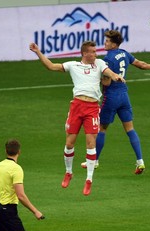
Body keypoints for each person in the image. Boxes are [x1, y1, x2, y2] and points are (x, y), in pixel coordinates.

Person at [29, 41, 125, 196]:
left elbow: (109, 73)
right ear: (85, 53)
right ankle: (68, 172)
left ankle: (89, 180)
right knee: (69, 143)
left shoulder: (99, 64)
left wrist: (115, 76)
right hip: (77, 107)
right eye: (93, 52)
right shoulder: (73, 65)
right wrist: (38, 52)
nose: (95, 54)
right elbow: (51, 66)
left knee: (90, 142)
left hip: (92, 108)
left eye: (95, 51)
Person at [80, 30, 150, 174]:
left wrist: (96, 77)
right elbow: (140, 64)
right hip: (124, 95)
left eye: (107, 41)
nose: (104, 43)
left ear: (113, 43)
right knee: (130, 129)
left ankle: (95, 161)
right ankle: (140, 161)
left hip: (111, 97)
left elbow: (106, 83)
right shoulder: (124, 53)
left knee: (102, 129)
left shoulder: (108, 59)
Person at [0, 139, 44, 231]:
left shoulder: (0, 165)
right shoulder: (16, 169)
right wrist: (35, 211)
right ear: (19, 152)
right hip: (8, 211)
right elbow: (20, 195)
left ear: (6, 151)